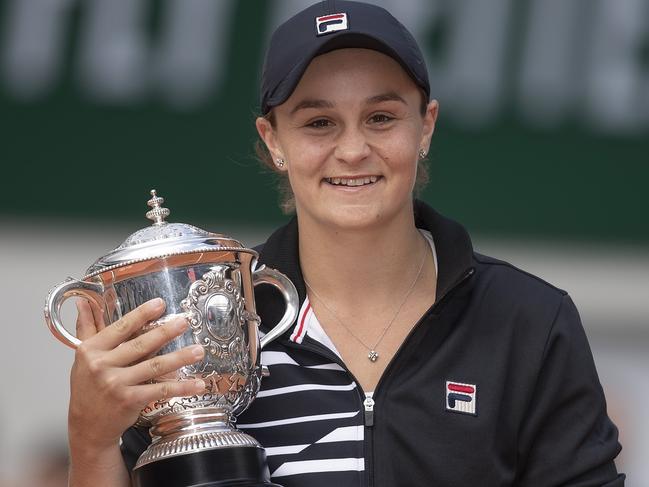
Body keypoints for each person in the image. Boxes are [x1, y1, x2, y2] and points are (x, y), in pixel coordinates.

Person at [67, 1, 625, 486]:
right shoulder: (209, 324)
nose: (353, 150)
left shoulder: (527, 320)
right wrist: (91, 440)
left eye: (381, 118)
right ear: (273, 139)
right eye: (318, 123)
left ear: (425, 127)